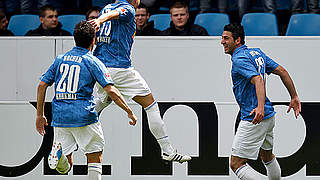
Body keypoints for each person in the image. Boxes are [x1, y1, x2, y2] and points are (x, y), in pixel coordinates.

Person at [88, 0, 191, 163]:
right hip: (120, 69)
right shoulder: (127, 8)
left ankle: (69, 138)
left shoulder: (105, 8)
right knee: (151, 106)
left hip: (101, 68)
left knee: (102, 101)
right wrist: (101, 20)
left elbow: (109, 18)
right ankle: (167, 150)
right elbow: (118, 13)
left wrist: (101, 19)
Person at [35, 21, 137, 179]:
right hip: (83, 115)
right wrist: (129, 111)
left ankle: (59, 155)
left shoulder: (60, 59)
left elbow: (42, 85)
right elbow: (110, 90)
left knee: (65, 168)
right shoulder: (93, 61)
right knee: (95, 156)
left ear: (74, 38)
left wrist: (39, 115)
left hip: (61, 116)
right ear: (94, 40)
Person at [221, 23, 301, 180]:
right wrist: (294, 96)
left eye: (226, 38)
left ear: (237, 40)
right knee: (267, 156)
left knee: (236, 164)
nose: (222, 42)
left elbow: (258, 80)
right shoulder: (256, 53)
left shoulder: (239, 58)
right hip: (268, 115)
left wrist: (259, 107)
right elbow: (282, 71)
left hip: (254, 116)